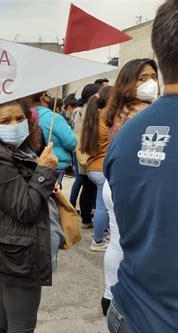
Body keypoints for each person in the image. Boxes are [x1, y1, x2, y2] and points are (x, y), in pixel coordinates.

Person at [104, 1, 178, 333]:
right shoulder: (125, 126)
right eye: (142, 78)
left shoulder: (129, 133)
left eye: (151, 76)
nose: (148, 83)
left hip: (133, 311)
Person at [0, 98, 58, 333]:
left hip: (14, 246)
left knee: (7, 317)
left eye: (20, 119)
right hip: (19, 250)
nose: (15, 125)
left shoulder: (16, 148)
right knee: (22, 329)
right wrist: (44, 172)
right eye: (5, 121)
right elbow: (26, 208)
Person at [79, 85, 113, 251]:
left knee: (102, 205)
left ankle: (102, 235)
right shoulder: (107, 121)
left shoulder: (94, 119)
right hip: (102, 169)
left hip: (93, 167)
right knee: (103, 206)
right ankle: (98, 241)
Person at [70, 83, 100, 227]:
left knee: (84, 182)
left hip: (80, 150)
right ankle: (87, 217)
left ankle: (85, 217)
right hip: (89, 151)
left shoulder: (78, 111)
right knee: (89, 186)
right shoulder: (92, 111)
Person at [31, 91, 77, 183]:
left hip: (34, 165)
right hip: (54, 165)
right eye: (48, 95)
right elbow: (71, 142)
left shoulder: (26, 115)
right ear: (44, 97)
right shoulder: (53, 117)